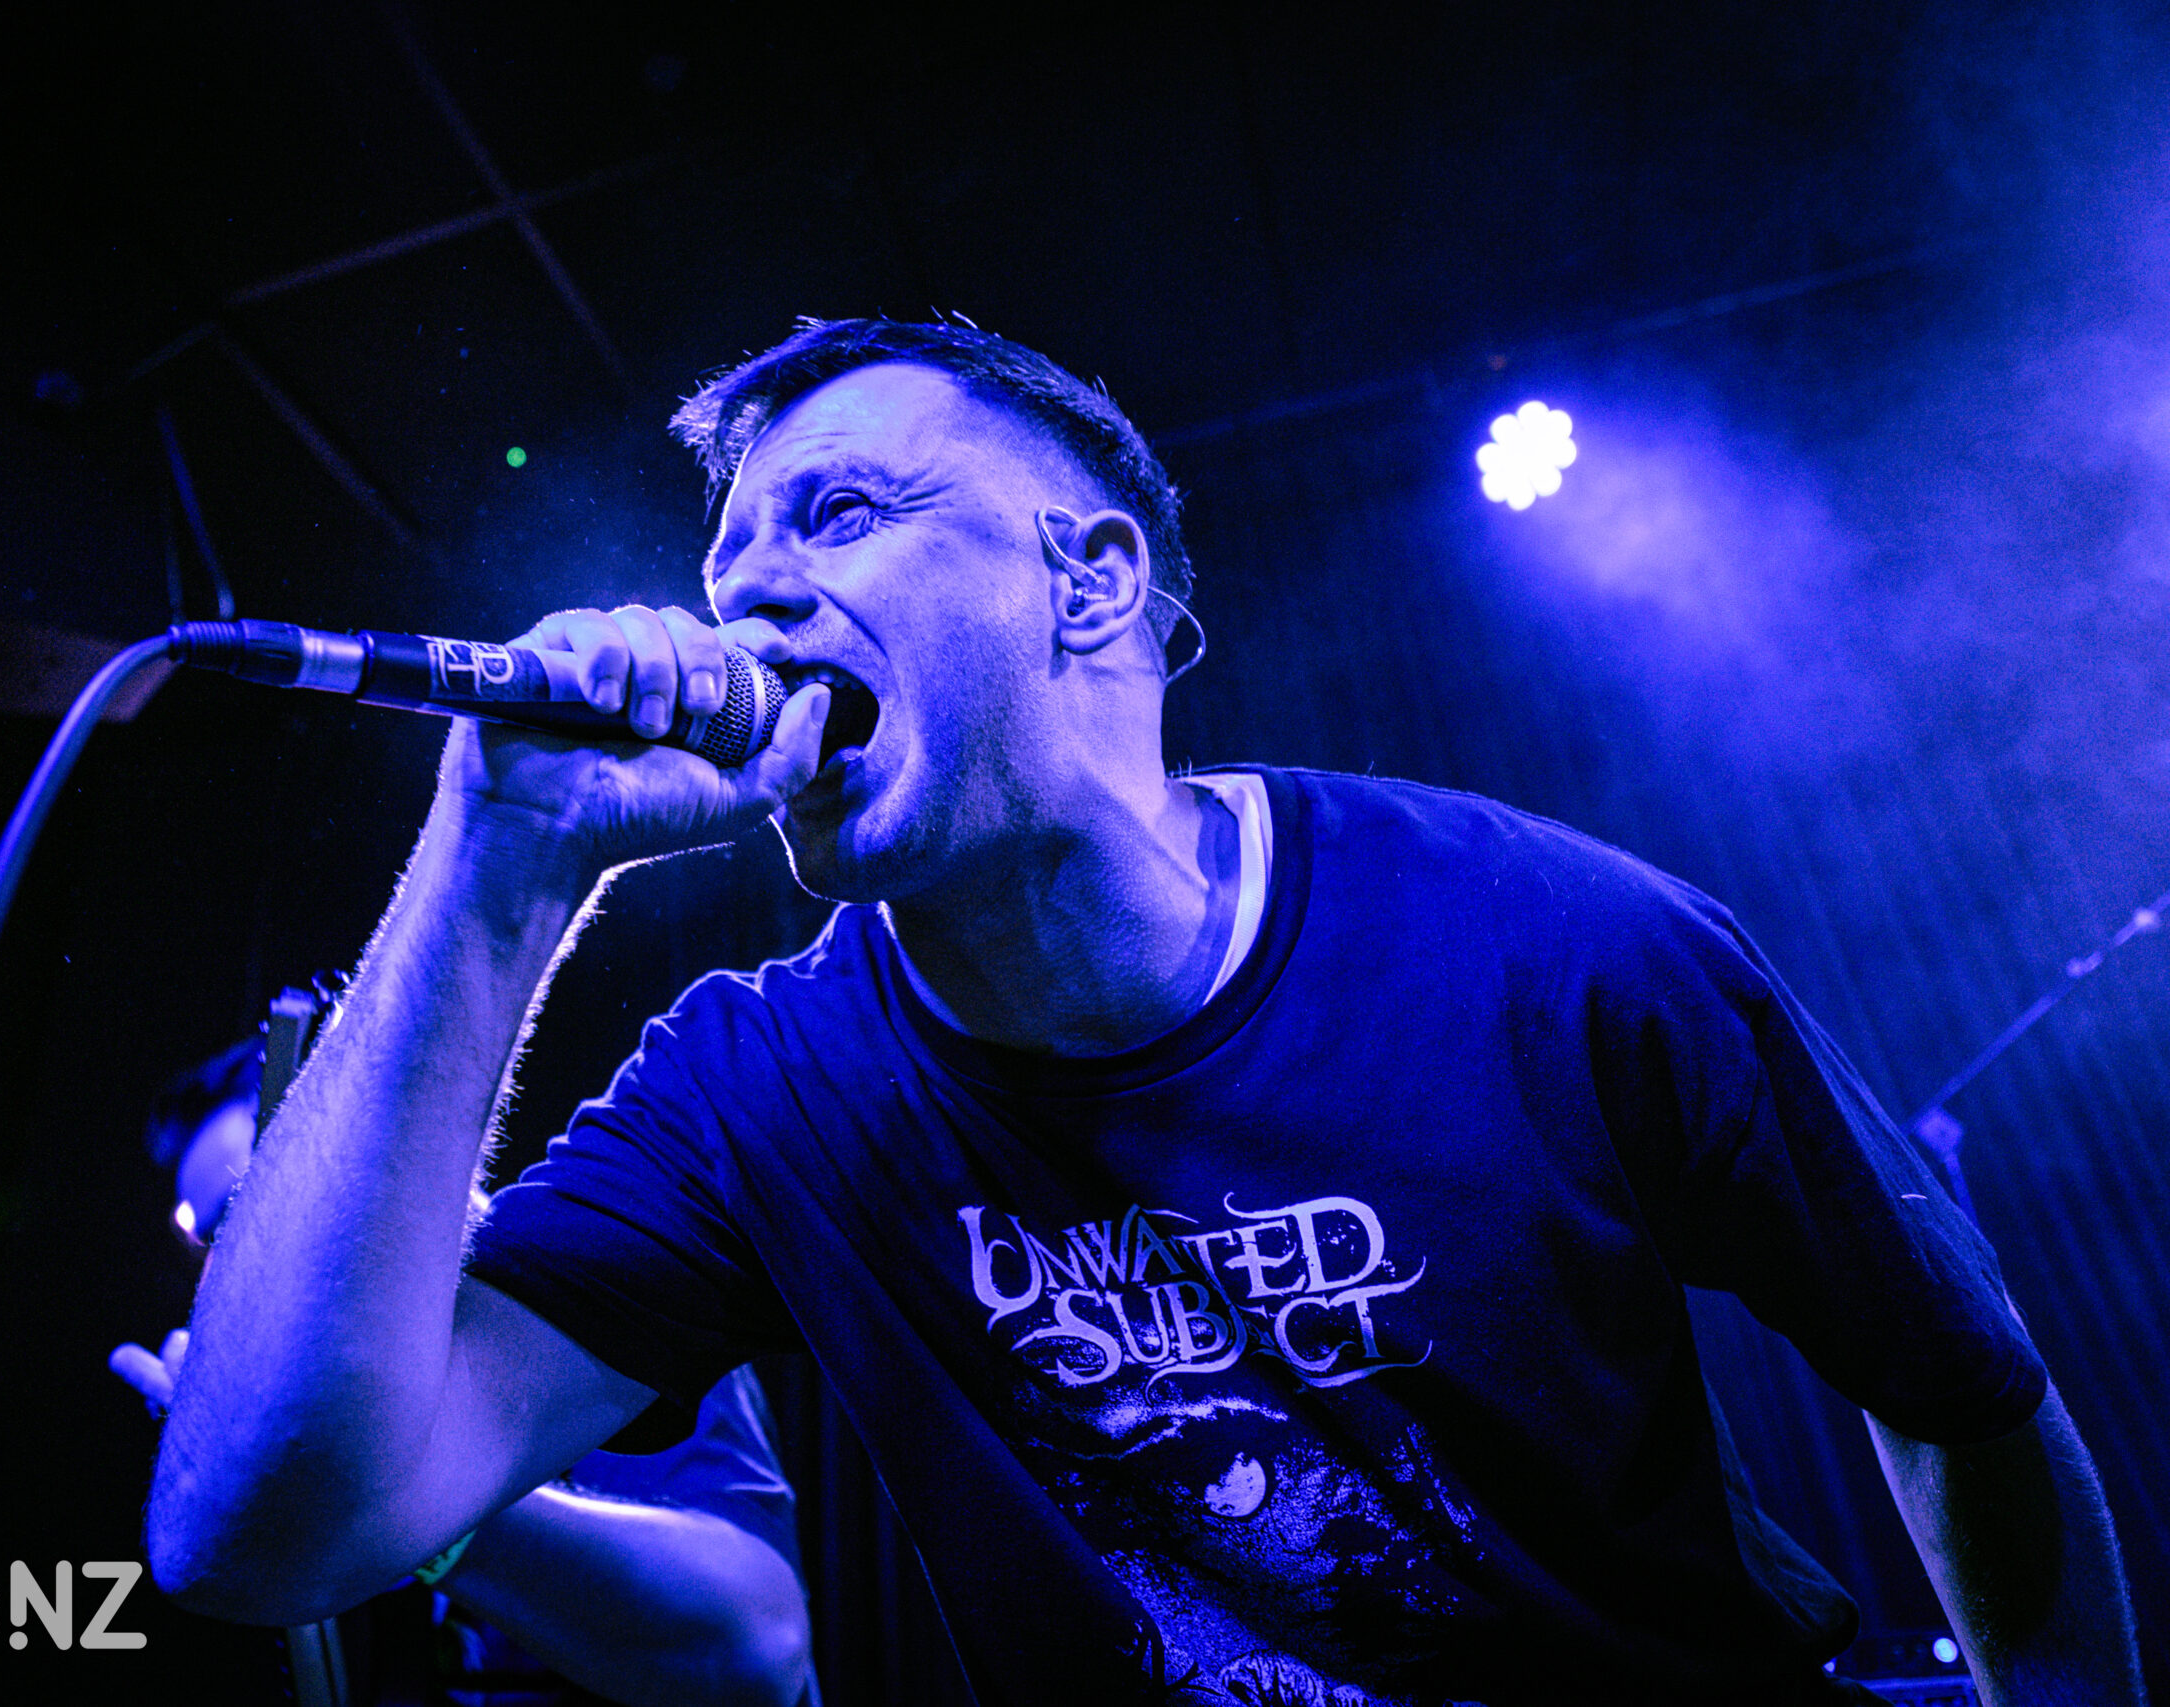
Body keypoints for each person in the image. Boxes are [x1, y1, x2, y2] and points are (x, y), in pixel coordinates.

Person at [143, 318, 2145, 1705]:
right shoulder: (758, 1089)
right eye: (727, 560)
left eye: (839, 516)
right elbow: (258, 1531)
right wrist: (499, 864)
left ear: (1087, 581)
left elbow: (1961, 1393)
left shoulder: (1555, 942)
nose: (749, 603)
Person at [115, 1041, 815, 1707]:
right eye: (205, 1242)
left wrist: (401, 1499)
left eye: (245, 1215)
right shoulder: (332, 1407)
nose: (223, 1276)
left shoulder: (588, 1301)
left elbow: (758, 1649)